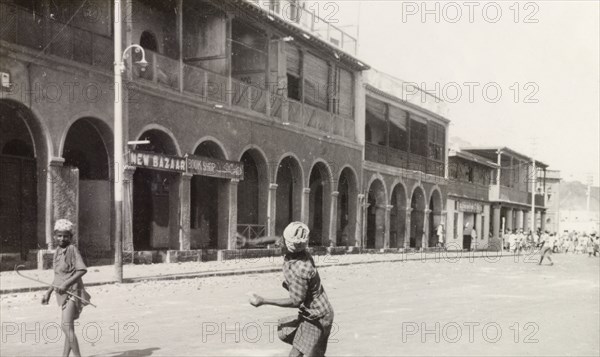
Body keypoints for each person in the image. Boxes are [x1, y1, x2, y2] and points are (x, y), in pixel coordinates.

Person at [249, 222, 334, 356]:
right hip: (324, 311)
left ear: (289, 246)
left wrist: (264, 301)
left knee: (296, 354)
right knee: (315, 353)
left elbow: (296, 301)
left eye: (283, 240)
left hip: (316, 317)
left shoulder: (300, 269)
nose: (279, 242)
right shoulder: (302, 253)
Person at [41, 219, 90, 357]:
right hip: (62, 293)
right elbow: (58, 276)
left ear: (71, 237)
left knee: (65, 326)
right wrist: (49, 292)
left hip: (73, 292)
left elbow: (82, 270)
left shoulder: (72, 249)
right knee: (69, 327)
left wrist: (66, 284)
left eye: (66, 236)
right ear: (55, 235)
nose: (62, 238)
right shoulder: (57, 251)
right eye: (59, 235)